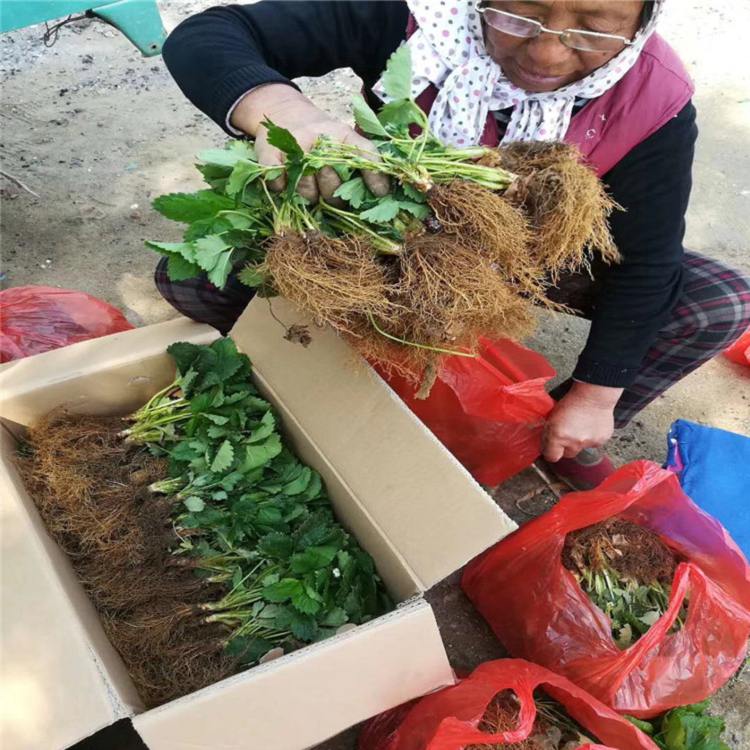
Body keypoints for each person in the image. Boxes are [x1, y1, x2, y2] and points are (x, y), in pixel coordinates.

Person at [156, 0, 750, 490]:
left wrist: (598, 393)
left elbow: (648, 261)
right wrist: (284, 112)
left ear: (640, 22)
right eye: (519, 17)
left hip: (526, 252)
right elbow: (209, 35)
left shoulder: (652, 98)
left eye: (593, 29)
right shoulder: (418, 19)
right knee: (194, 276)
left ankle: (548, 430)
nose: (546, 53)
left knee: (718, 303)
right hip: (384, 239)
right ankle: (321, 394)